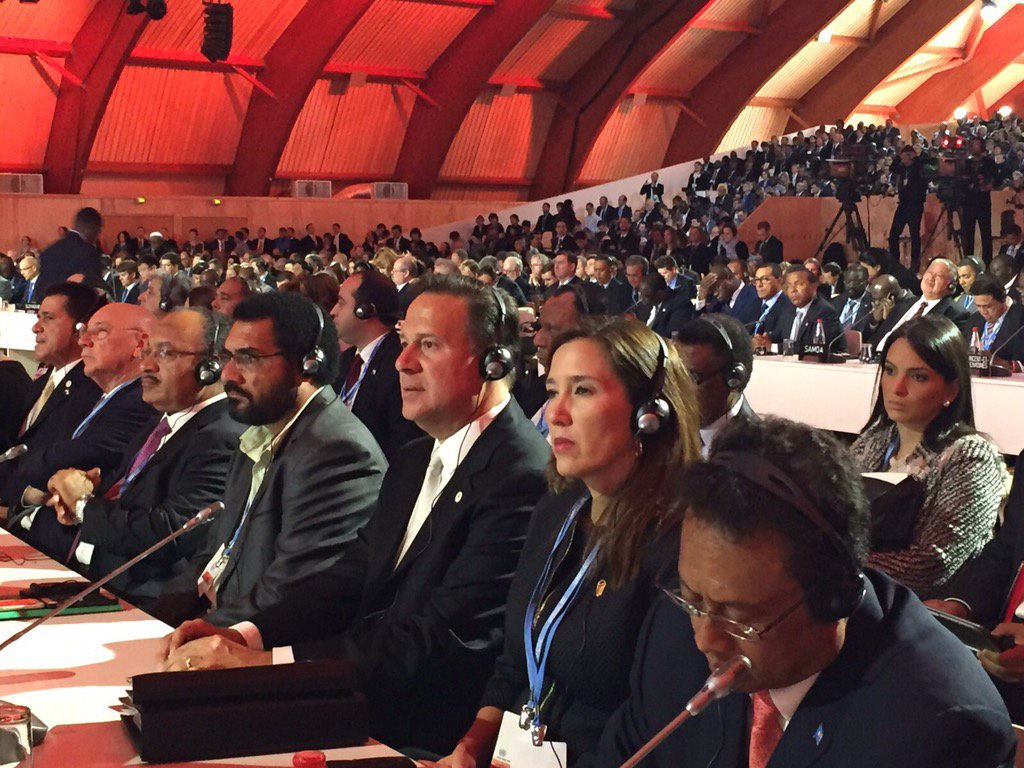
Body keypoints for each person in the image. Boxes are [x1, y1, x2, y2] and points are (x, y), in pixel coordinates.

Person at [159, 276, 551, 755]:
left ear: (495, 362)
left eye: (428, 345)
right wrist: (245, 635)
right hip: (363, 702)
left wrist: (267, 664)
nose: (403, 362)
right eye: (405, 343)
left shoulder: (518, 474)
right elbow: (350, 576)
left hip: (418, 734)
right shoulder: (415, 457)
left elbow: (436, 639)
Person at [595, 416, 1015, 768]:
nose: (706, 638)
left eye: (741, 617)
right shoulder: (672, 633)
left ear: (835, 597)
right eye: (693, 599)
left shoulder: (940, 727)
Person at [427, 319, 700, 768]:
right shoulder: (558, 509)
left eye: (583, 391)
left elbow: (653, 729)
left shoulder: (680, 546)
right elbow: (515, 664)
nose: (555, 414)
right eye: (553, 391)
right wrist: (471, 748)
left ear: (650, 414)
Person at [151, 292, 386, 625]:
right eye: (229, 357)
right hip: (221, 626)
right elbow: (213, 555)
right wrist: (148, 622)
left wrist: (197, 634)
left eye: (248, 358)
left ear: (308, 364)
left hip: (258, 643)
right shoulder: (258, 434)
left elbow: (290, 592)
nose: (228, 374)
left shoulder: (337, 452)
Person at [45, 309, 244, 605]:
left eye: (165, 353)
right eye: (147, 351)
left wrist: (84, 506)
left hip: (143, 603)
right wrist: (83, 491)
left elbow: (168, 535)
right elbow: (132, 500)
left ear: (212, 366)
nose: (146, 365)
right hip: (94, 580)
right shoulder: (161, 421)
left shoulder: (222, 436)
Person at [851, 315, 1006, 597]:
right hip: (858, 593)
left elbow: (929, 567)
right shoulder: (872, 441)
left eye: (918, 376)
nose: (897, 388)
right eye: (890, 370)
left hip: (924, 609)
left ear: (952, 390)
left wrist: (836, 559)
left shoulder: (971, 456)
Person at [12, 303, 159, 561]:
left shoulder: (140, 403)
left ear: (140, 344)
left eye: (100, 332)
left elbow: (62, 458)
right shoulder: (99, 394)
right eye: (83, 331)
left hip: (77, 548)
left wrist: (53, 481)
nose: (83, 341)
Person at [0, 282, 105, 476]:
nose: (36, 328)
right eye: (38, 317)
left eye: (48, 318)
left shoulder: (92, 388)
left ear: (80, 328)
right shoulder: (42, 381)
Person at [330, 269, 422, 459]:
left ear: (365, 311)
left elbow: (402, 444)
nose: (333, 311)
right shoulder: (345, 360)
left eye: (341, 303)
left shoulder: (399, 364)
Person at [673, 315, 755, 457]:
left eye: (692, 378)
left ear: (734, 379)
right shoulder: (662, 430)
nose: (677, 389)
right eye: (675, 375)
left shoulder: (756, 453)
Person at [867, 258, 970, 349]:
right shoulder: (904, 304)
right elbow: (875, 339)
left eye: (938, 276)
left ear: (951, 285)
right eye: (929, 272)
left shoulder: (955, 314)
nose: (931, 278)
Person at [764, 265, 845, 351]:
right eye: (789, 286)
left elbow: (814, 348)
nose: (793, 290)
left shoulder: (825, 312)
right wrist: (764, 340)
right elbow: (778, 335)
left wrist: (774, 347)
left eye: (799, 284)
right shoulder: (788, 309)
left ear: (814, 286)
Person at [34, 207, 104, 296]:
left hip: (47, 301)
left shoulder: (49, 250)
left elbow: (40, 285)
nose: (97, 236)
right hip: (75, 303)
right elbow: (94, 291)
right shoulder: (89, 253)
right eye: (98, 231)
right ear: (91, 228)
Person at [965, 274, 1024, 366]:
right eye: (978, 306)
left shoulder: (1020, 319)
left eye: (988, 306)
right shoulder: (974, 319)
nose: (983, 312)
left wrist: (998, 362)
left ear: (1003, 299)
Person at [888, 145, 928, 273]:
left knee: (914, 235)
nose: (902, 160)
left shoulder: (918, 168)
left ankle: (915, 265)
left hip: (915, 205)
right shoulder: (903, 169)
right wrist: (898, 155)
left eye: (905, 157)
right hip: (903, 204)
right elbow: (892, 168)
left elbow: (925, 164)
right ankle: (894, 263)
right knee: (893, 234)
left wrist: (915, 156)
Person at [749, 263, 790, 347]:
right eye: (756, 280)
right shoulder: (753, 304)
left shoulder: (788, 305)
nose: (759, 285)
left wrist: (764, 342)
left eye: (765, 279)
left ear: (780, 281)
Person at [833, 263, 873, 332]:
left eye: (857, 282)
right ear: (844, 281)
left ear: (867, 283)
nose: (852, 285)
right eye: (849, 281)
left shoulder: (872, 305)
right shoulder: (834, 302)